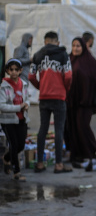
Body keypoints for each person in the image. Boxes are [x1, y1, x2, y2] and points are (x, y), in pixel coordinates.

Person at [29, 31, 72, 174]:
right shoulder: (63, 54)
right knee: (59, 130)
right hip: (59, 97)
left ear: (45, 42)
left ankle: (40, 163)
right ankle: (59, 165)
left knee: (43, 129)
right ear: (57, 42)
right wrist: (65, 89)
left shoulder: (37, 55)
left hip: (44, 97)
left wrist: (41, 87)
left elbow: (30, 76)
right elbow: (68, 75)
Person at [66, 37, 96, 164]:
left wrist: (94, 100)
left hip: (86, 102)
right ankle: (77, 154)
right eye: (73, 45)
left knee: (82, 126)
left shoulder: (91, 62)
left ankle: (92, 152)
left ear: (83, 47)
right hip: (71, 101)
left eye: (78, 46)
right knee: (72, 127)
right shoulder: (68, 60)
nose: (75, 48)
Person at [0, 59, 30, 181]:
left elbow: (27, 98)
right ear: (7, 71)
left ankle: (6, 158)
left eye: (16, 70)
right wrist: (19, 107)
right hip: (8, 121)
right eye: (11, 69)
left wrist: (26, 104)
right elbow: (2, 106)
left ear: (20, 71)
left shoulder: (24, 84)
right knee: (13, 144)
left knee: (21, 145)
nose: (13, 72)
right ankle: (16, 172)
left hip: (22, 119)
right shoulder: (3, 86)